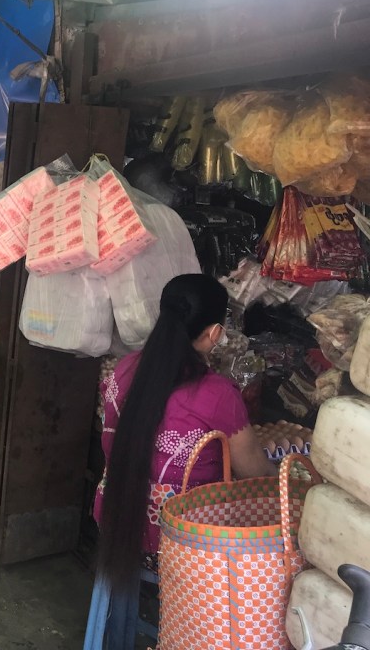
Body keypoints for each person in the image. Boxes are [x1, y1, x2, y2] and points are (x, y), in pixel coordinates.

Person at [89, 273, 278, 650]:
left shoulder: (125, 369)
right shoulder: (218, 395)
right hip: (172, 544)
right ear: (214, 334)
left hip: (114, 517)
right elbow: (256, 474)